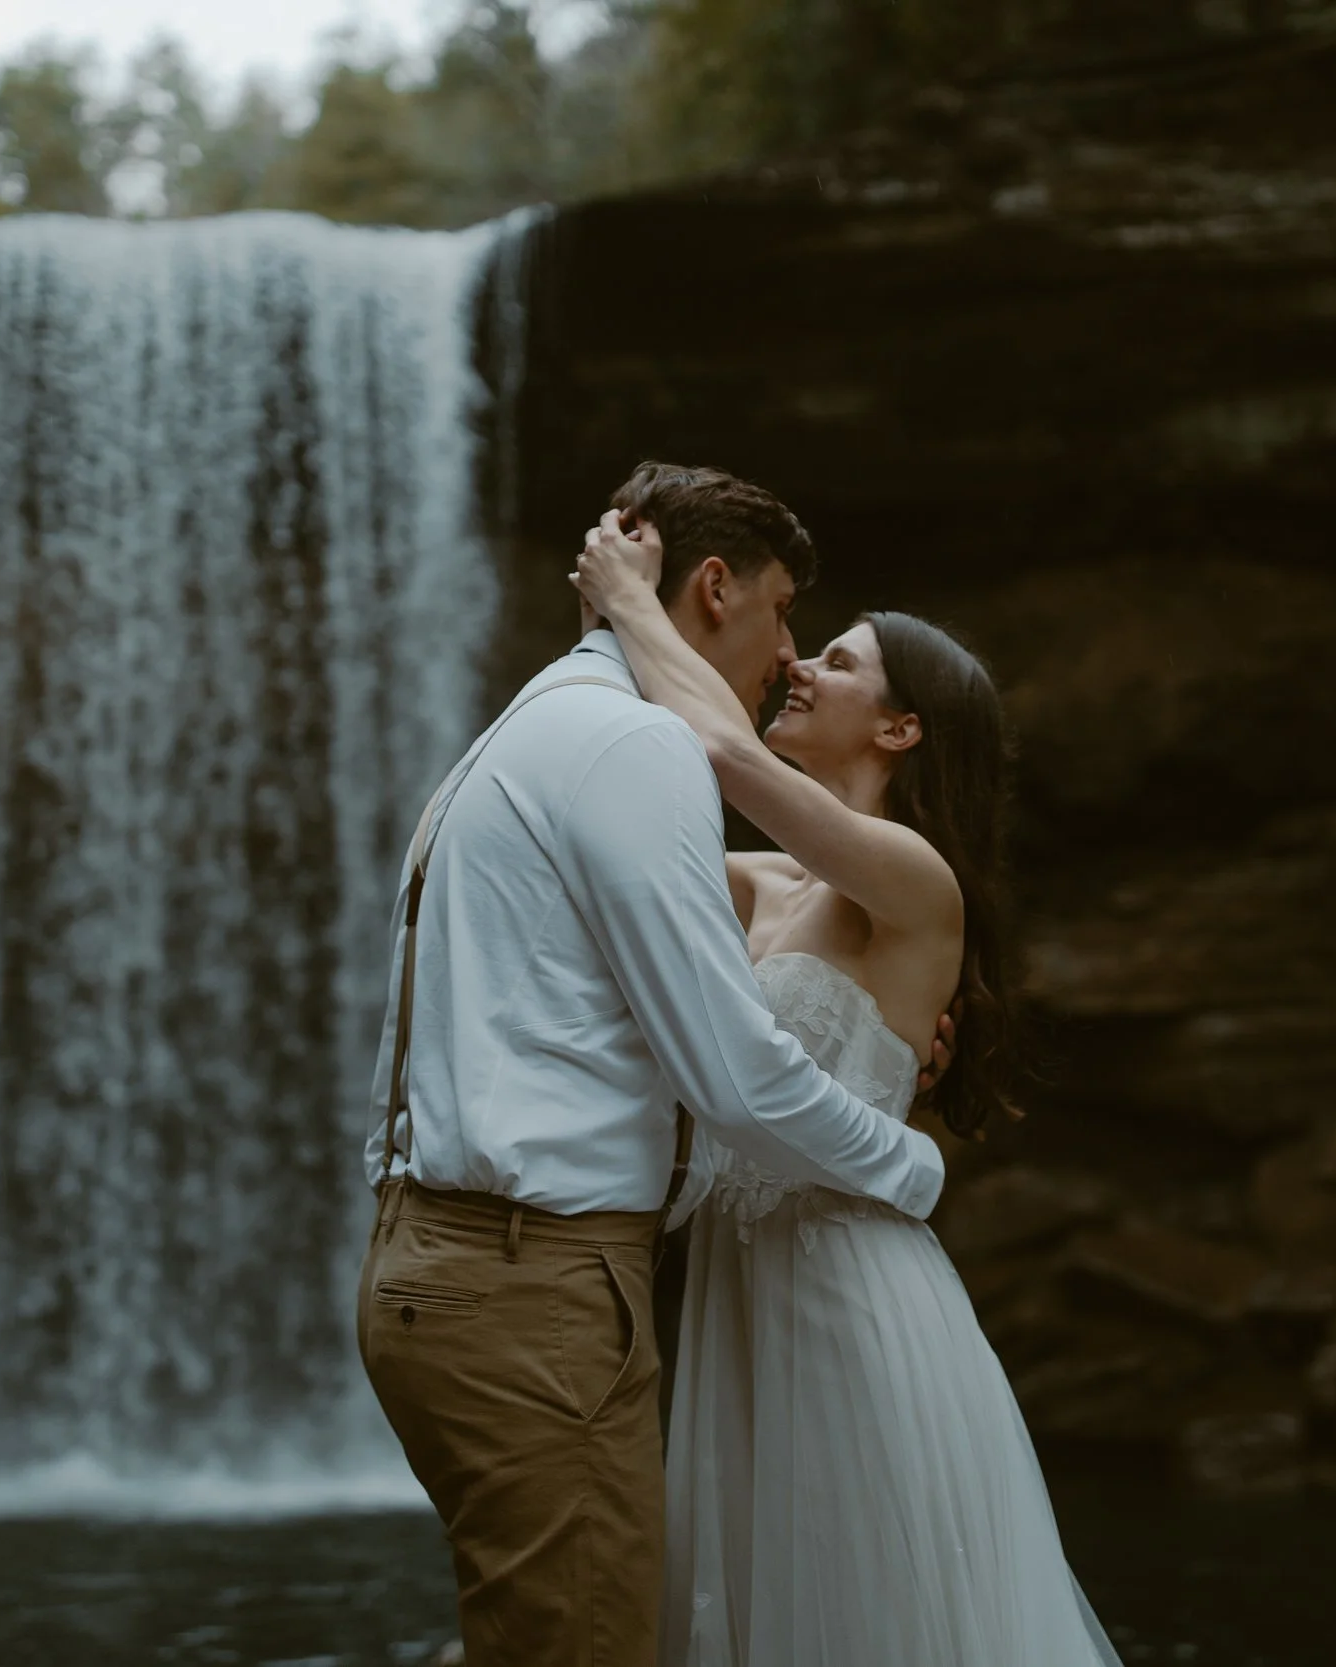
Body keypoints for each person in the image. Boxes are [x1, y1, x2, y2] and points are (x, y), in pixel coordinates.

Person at [356, 463, 954, 1667]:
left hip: (465, 1262)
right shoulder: (630, 748)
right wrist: (911, 1157)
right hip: (533, 1288)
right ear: (716, 588)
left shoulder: (527, 729)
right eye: (786, 611)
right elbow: (733, 1069)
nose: (790, 652)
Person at [572, 505, 1122, 1667]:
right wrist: (607, 637)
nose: (797, 663)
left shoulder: (918, 880)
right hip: (738, 1287)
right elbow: (622, 817)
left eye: (837, 658)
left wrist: (630, 601)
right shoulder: (764, 886)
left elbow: (717, 749)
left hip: (849, 1292)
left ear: (903, 725)